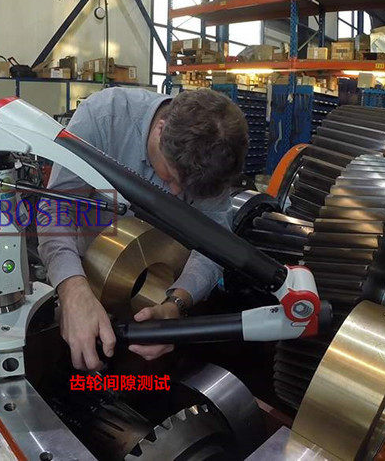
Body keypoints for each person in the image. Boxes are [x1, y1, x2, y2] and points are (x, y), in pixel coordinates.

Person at [37, 87, 249, 371]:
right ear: (160, 130)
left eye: (187, 190)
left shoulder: (214, 157)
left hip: (162, 284)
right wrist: (72, 290)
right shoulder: (104, 118)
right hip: (87, 279)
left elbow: (214, 242)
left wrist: (176, 304)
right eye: (170, 177)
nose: (175, 194)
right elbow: (56, 208)